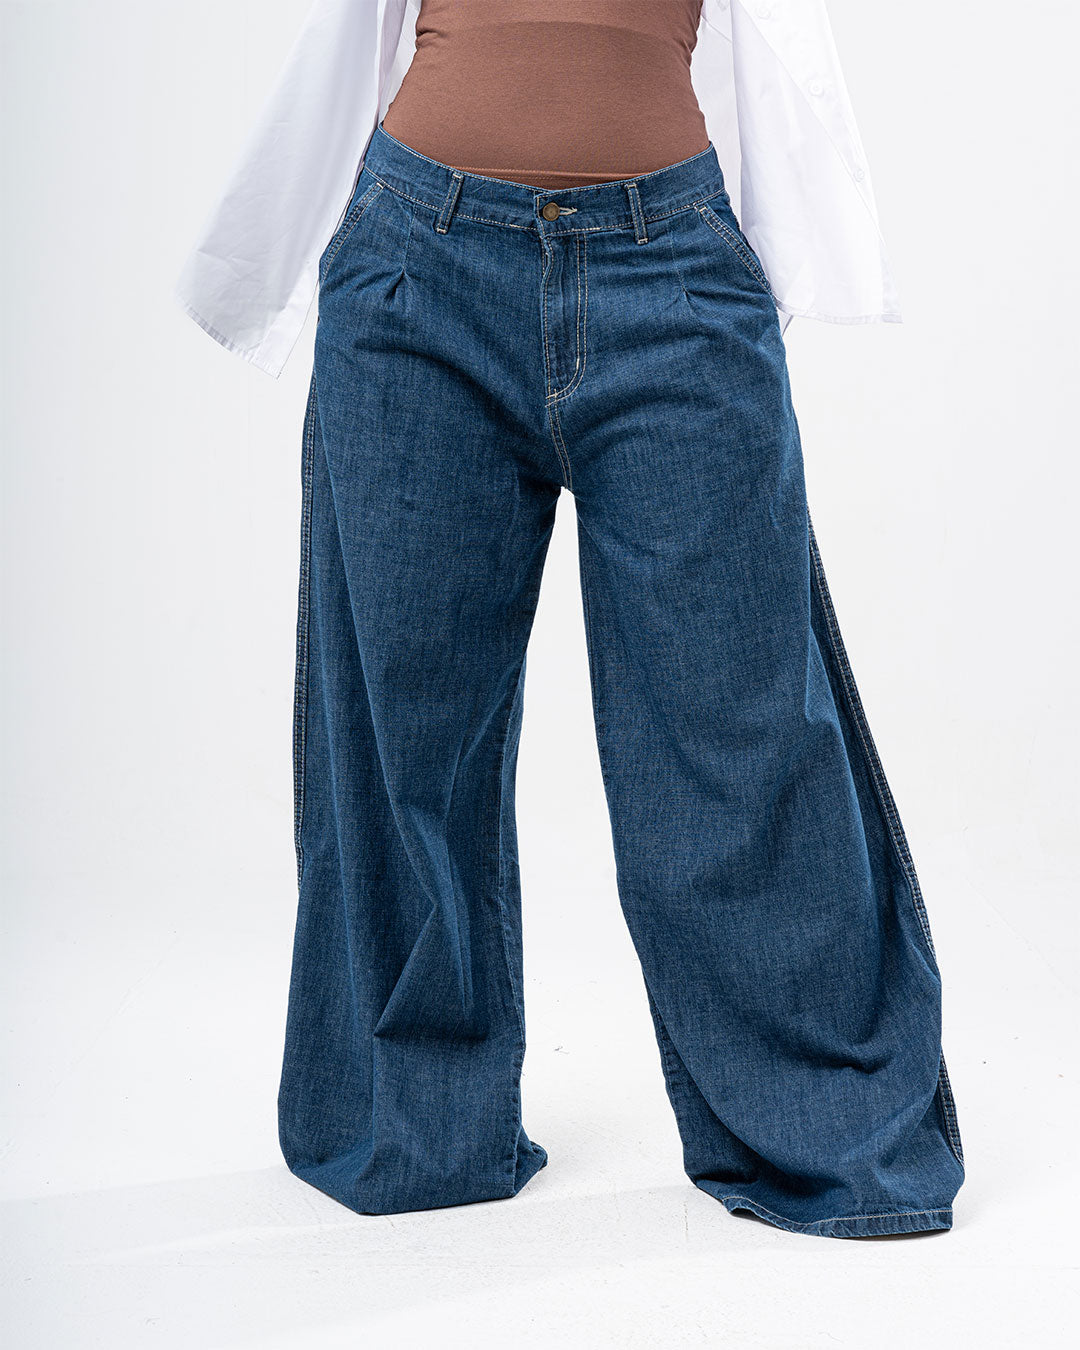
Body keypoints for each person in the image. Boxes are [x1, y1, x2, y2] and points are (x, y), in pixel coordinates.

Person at [173, 0, 965, 1238]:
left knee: (742, 726)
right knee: (400, 741)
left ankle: (833, 1134)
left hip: (673, 271)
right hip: (416, 265)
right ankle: (414, 1131)